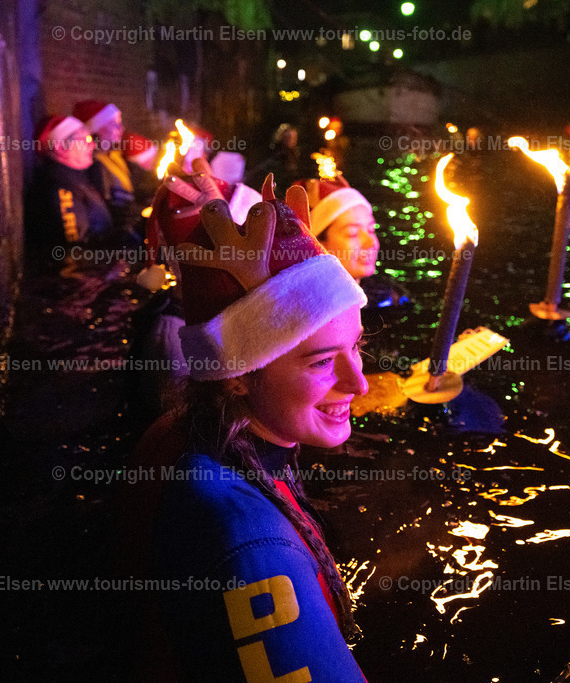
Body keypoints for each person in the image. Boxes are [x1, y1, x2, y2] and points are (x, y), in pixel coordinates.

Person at [137, 171, 370, 681]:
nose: (361, 385)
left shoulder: (192, 429)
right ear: (239, 375)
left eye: (357, 347)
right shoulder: (255, 548)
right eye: (322, 362)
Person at [294, 175, 410, 309]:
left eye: (371, 230)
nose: (370, 243)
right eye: (352, 233)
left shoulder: (391, 298)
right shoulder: (305, 311)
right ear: (318, 244)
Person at [24, 115, 112, 251]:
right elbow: (73, 251)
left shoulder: (73, 176)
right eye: (85, 139)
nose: (92, 145)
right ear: (60, 147)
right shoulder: (59, 186)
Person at [72, 100, 143, 236]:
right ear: (97, 128)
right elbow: (107, 208)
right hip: (116, 233)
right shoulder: (95, 164)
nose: (121, 129)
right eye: (114, 125)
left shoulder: (113, 157)